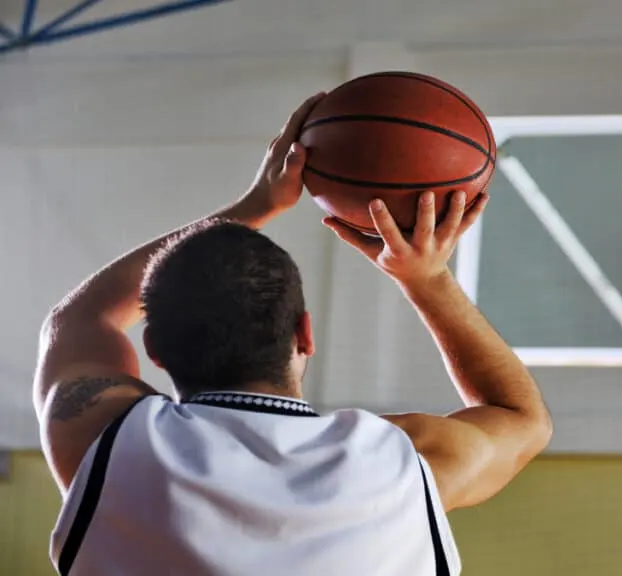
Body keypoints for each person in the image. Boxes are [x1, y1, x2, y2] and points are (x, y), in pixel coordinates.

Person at [34, 93, 553, 576]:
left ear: (154, 350)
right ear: (304, 334)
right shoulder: (401, 463)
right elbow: (521, 420)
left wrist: (255, 206)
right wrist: (427, 278)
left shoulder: (108, 442)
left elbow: (80, 319)